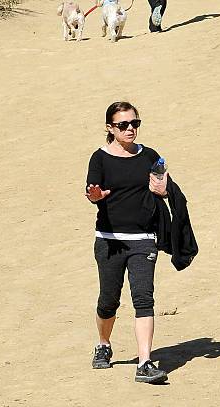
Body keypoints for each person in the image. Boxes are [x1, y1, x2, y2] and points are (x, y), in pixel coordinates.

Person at [85, 101, 169, 384]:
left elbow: (163, 185)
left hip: (143, 240)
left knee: (144, 298)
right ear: (110, 128)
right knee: (109, 301)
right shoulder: (99, 158)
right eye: (123, 125)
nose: (130, 129)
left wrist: (163, 189)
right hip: (109, 241)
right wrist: (96, 195)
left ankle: (144, 362)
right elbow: (92, 191)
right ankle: (104, 344)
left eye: (135, 123)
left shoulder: (151, 156)